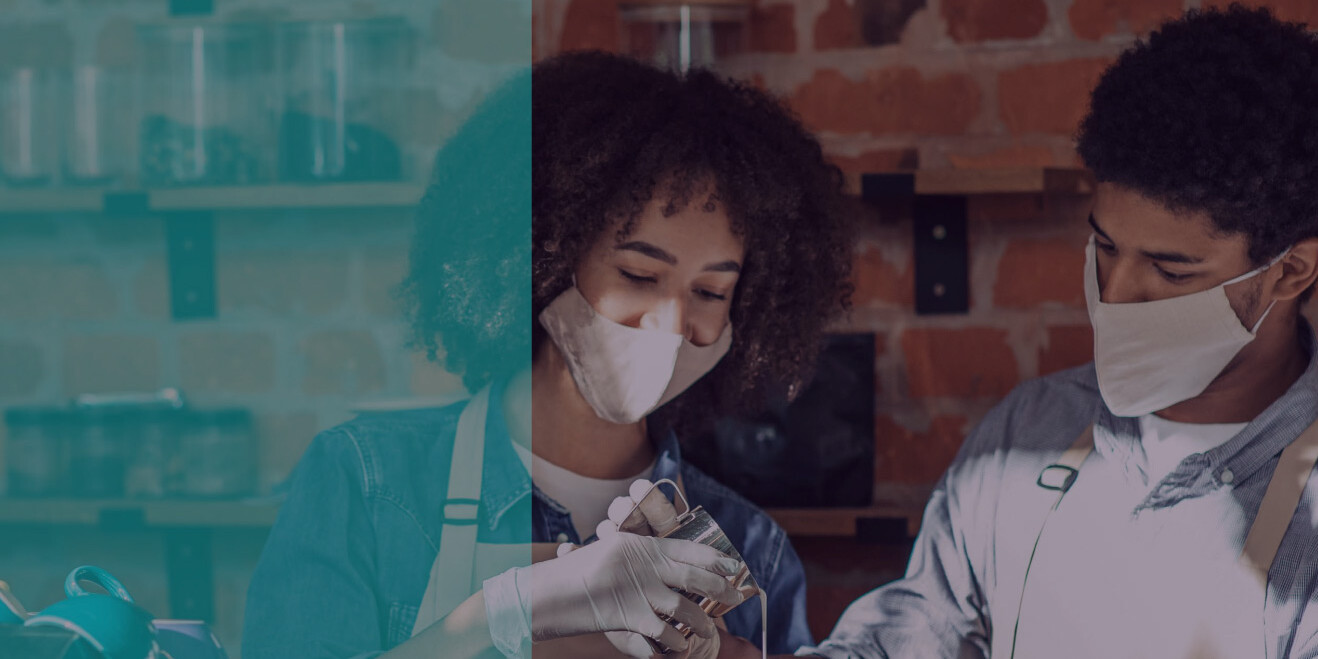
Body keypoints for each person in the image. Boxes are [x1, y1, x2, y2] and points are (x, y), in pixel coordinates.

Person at [743, 6, 1318, 659]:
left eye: (1171, 269)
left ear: (1291, 271)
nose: (1116, 293)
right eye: (1106, 247)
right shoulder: (1031, 430)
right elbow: (912, 632)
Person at [241, 51, 852, 658]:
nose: (671, 326)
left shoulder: (750, 549)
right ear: (544, 258)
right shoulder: (367, 485)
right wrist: (497, 614)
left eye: (711, 292)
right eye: (639, 275)